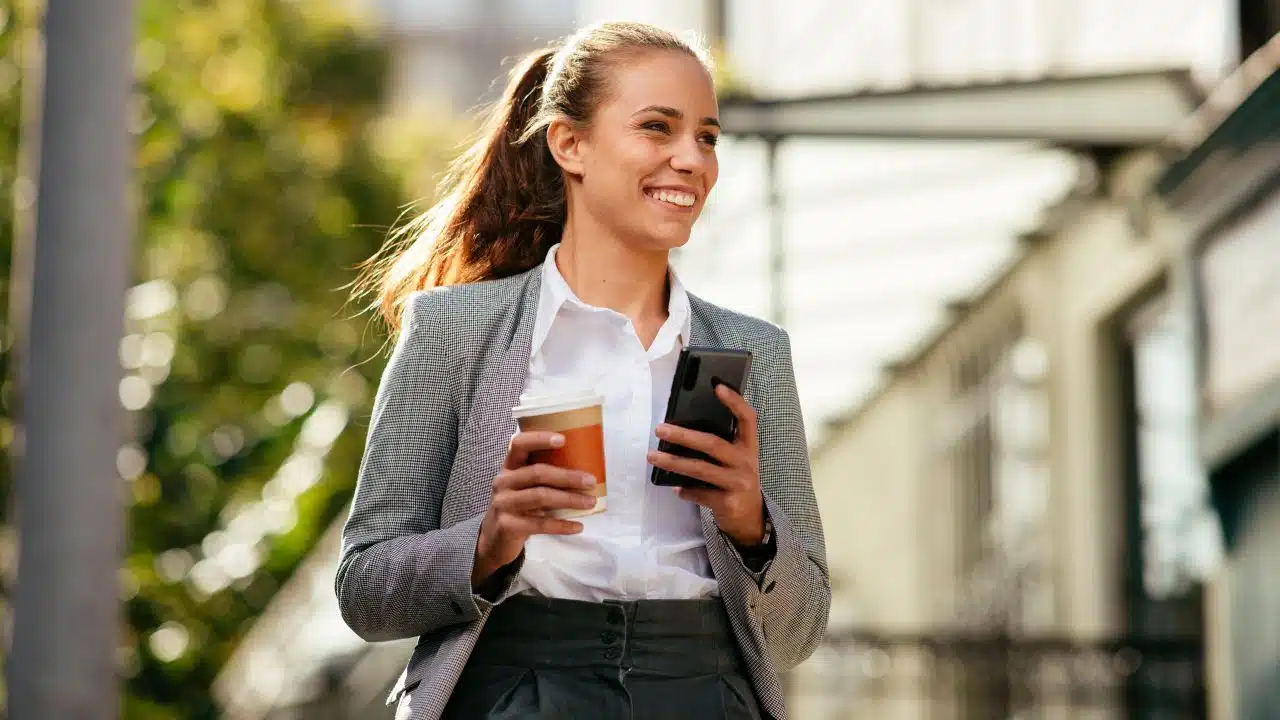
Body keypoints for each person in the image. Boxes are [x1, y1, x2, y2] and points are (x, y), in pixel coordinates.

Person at [337, 20, 829, 720]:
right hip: (514, 690)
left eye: (708, 137)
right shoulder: (454, 332)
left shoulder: (757, 352)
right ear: (570, 144)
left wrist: (754, 526)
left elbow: (801, 631)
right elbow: (363, 589)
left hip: (707, 694)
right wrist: (488, 542)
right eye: (658, 128)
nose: (692, 159)